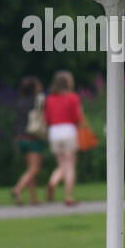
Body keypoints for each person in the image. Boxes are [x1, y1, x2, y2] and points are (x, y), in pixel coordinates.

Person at [44, 69, 83, 206]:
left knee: (62, 164)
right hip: (68, 131)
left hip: (54, 132)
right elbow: (77, 117)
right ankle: (68, 196)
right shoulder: (73, 97)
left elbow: (47, 118)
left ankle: (53, 181)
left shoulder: (49, 99)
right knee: (70, 165)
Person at [11, 76, 48, 206]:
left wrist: (15, 137)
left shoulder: (20, 101)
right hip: (33, 137)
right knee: (34, 169)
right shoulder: (38, 99)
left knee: (30, 168)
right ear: (34, 87)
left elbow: (16, 122)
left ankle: (33, 198)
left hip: (20, 138)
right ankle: (18, 188)